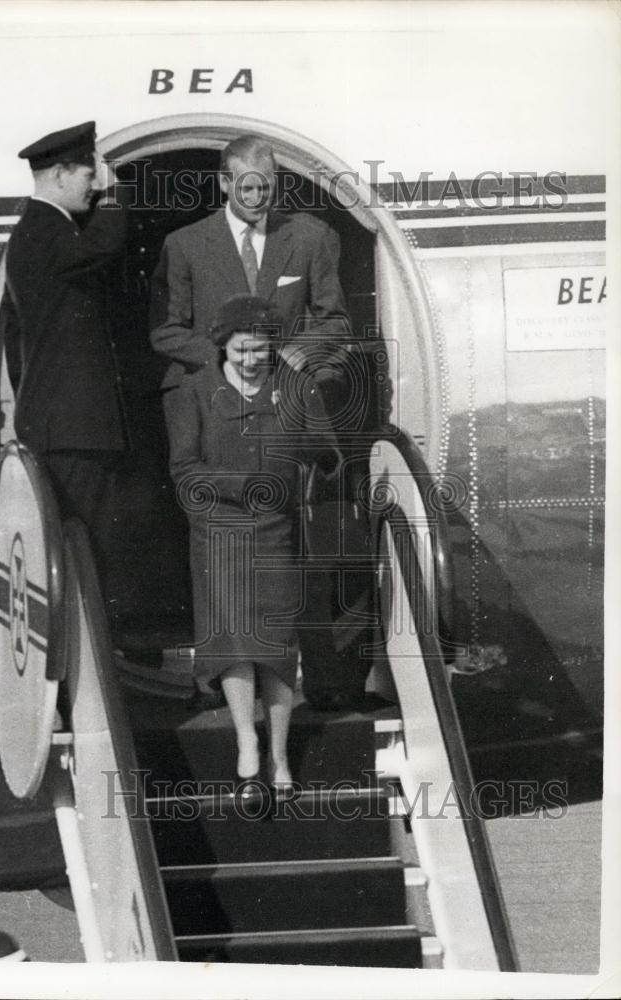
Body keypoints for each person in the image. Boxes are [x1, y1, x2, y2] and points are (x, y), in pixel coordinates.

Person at [151, 134, 369, 711]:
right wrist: (226, 360)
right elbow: (166, 330)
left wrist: (293, 356)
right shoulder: (185, 244)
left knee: (293, 549)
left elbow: (335, 323)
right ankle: (220, 686)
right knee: (219, 550)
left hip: (289, 413)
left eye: (266, 186)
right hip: (216, 415)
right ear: (224, 183)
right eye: (245, 185)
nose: (256, 195)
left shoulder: (313, 238)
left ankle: (304, 684)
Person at [167, 295, 342, 791]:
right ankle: (247, 739)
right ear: (223, 346)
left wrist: (310, 445)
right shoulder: (194, 391)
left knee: (276, 646)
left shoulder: (296, 387)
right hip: (219, 531)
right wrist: (239, 486)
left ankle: (281, 755)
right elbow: (184, 471)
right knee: (233, 646)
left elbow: (329, 457)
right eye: (242, 350)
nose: (251, 360)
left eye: (261, 351)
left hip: (275, 530)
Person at [1, 120, 128, 582]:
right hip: (74, 431)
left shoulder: (36, 233)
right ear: (59, 174)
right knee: (91, 552)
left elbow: (17, 348)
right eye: (88, 175)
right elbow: (103, 247)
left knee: (81, 550)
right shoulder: (45, 231)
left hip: (61, 425)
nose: (94, 186)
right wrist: (116, 194)